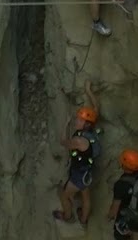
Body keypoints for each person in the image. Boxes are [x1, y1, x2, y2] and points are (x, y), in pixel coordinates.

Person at [55, 81, 103, 228]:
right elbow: (96, 107)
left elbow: (63, 142)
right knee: (85, 196)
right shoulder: (91, 129)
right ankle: (84, 219)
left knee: (65, 195)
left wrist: (65, 124)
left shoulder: (79, 141)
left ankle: (68, 216)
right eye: (77, 118)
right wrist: (88, 90)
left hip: (78, 175)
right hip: (87, 172)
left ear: (86, 124)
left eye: (79, 120)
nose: (77, 120)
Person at [108, 149, 138, 239]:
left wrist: (110, 216)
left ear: (124, 166)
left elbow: (115, 208)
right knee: (137, 234)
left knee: (120, 235)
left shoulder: (121, 185)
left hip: (126, 216)